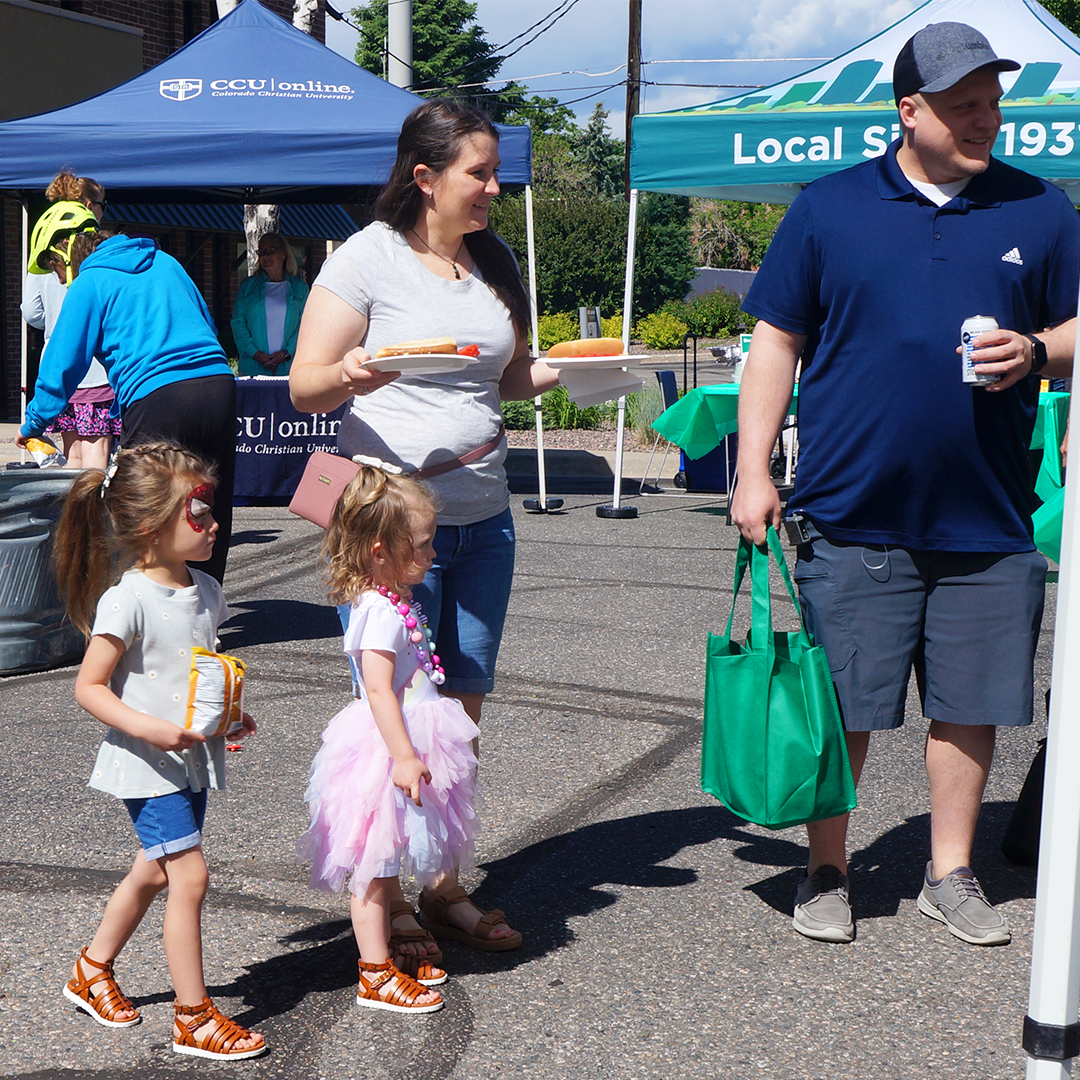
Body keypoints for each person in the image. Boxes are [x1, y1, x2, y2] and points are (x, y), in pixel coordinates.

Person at [730, 21, 1080, 947]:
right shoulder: (828, 208)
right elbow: (776, 341)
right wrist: (751, 470)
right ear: (909, 111)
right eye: (964, 105)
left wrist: (1041, 349)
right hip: (852, 512)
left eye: (994, 103)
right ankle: (827, 868)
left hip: (991, 514)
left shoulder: (1040, 211)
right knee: (845, 705)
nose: (986, 119)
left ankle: (951, 873)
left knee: (970, 706)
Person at [290, 99, 559, 956]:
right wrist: (351, 372)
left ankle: (444, 882)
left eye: (493, 172)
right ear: (424, 177)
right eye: (478, 173)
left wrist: (578, 376)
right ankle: (390, 897)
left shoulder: (493, 259)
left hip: (484, 514)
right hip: (388, 524)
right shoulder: (365, 259)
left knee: (463, 712)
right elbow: (304, 385)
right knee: (398, 711)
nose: (492, 187)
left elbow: (505, 380)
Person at [52, 442, 266, 1060]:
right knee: (189, 874)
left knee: (154, 867)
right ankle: (193, 1016)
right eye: (197, 514)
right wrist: (153, 728)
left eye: (212, 510)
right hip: (147, 765)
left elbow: (196, 671)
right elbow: (89, 688)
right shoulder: (129, 598)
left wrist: (227, 715)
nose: (214, 523)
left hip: (191, 758)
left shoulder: (206, 589)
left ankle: (91, 971)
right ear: (149, 527)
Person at [297, 463, 488, 1012]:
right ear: (380, 551)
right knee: (375, 866)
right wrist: (404, 756)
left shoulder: (391, 598)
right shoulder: (378, 612)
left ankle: (381, 961)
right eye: (423, 547)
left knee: (389, 859)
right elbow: (378, 690)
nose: (432, 556)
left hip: (408, 736)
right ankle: (374, 973)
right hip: (387, 746)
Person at [17, 230, 237, 582]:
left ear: (75, 261)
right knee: (207, 499)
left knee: (141, 508)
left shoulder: (90, 280)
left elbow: (63, 361)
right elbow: (206, 323)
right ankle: (205, 617)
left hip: (157, 394)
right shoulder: (167, 262)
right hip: (217, 383)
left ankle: (146, 614)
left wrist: (33, 423)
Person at [21, 172, 117, 469]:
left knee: (72, 455)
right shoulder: (95, 248)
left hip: (57, 369)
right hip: (95, 369)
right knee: (97, 453)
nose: (103, 211)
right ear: (89, 204)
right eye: (103, 205)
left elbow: (31, 313)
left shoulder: (45, 244)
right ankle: (93, 515)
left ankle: (74, 515)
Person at [231, 231, 309, 377]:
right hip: (253, 368)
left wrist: (286, 354)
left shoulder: (300, 288)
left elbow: (304, 325)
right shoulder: (247, 287)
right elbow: (238, 324)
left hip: (289, 369)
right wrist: (255, 354)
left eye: (270, 251)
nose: (265, 256)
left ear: (283, 254)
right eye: (261, 252)